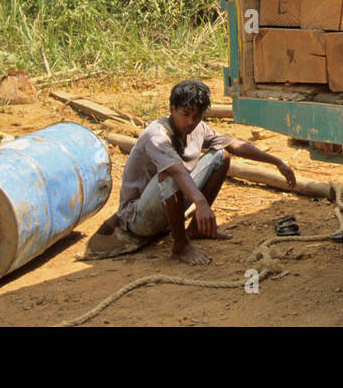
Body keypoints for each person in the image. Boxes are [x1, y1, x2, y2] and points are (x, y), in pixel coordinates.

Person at [106, 80, 297, 266]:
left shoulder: (198, 129)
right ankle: (180, 246)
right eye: (185, 114)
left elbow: (234, 145)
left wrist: (277, 162)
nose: (190, 122)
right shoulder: (156, 136)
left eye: (196, 116)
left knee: (222, 155)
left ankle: (197, 229)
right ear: (172, 108)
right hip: (139, 218)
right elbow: (177, 171)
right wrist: (201, 202)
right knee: (170, 174)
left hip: (171, 205)